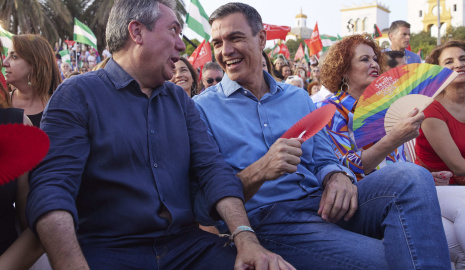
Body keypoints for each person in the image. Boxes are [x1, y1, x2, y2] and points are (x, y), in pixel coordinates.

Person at [26, 1, 292, 269]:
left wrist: (246, 239)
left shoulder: (181, 101)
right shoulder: (76, 95)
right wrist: (70, 264)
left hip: (188, 248)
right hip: (108, 252)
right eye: (173, 31)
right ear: (137, 32)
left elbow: (213, 171)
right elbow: (52, 188)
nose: (180, 44)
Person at [193, 3, 450, 269]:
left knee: (412, 177)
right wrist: (260, 170)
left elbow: (326, 159)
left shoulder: (297, 97)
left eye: (235, 38)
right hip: (271, 220)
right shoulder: (200, 109)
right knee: (390, 260)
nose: (226, 51)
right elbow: (203, 205)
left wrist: (336, 177)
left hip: (324, 204)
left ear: (261, 39)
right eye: (218, 43)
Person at [319, 35, 465, 270]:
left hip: (405, 190)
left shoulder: (385, 105)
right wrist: (394, 139)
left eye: (375, 58)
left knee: (463, 233)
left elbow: (399, 164)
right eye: (364, 59)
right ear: (343, 70)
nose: (374, 63)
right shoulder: (330, 109)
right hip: (364, 198)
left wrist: (424, 178)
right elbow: (344, 169)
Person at [0, 42, 45, 269]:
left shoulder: (16, 123)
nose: (6, 63)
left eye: (14, 56)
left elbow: (33, 223)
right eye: (5, 56)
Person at [416, 40, 465, 187]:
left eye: (463, 59)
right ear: (438, 73)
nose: (459, 64)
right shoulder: (430, 109)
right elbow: (458, 166)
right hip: (440, 189)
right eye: (449, 62)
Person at [3, 34, 62, 127]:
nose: (4, 63)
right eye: (7, 56)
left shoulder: (60, 107)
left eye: (14, 56)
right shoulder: (2, 103)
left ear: (35, 64)